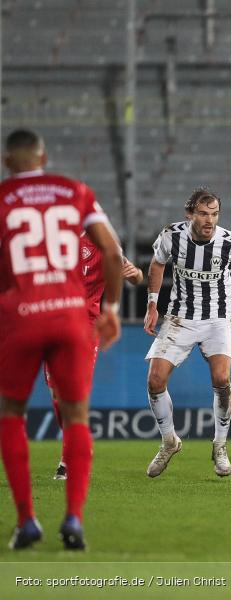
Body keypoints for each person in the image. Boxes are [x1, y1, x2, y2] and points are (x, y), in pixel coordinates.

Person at [0, 128, 123, 550]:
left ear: (7, 162)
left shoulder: (2, 198)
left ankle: (26, 521)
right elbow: (111, 253)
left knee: (11, 412)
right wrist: (111, 311)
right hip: (72, 316)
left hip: (21, 314)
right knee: (76, 414)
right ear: (44, 156)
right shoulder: (75, 190)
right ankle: (73, 520)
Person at [143, 187, 231, 478]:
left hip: (217, 319)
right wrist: (152, 304)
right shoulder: (172, 236)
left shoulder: (230, 242)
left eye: (214, 214)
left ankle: (220, 446)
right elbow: (157, 263)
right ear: (190, 214)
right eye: (204, 214)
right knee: (155, 380)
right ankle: (169, 441)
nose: (210, 220)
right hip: (179, 317)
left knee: (221, 378)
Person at [48, 234, 143, 480]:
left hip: (87, 327)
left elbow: (136, 277)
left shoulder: (103, 243)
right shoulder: (53, 239)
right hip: (54, 323)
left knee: (76, 392)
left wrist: (134, 274)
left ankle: (68, 460)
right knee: (58, 395)